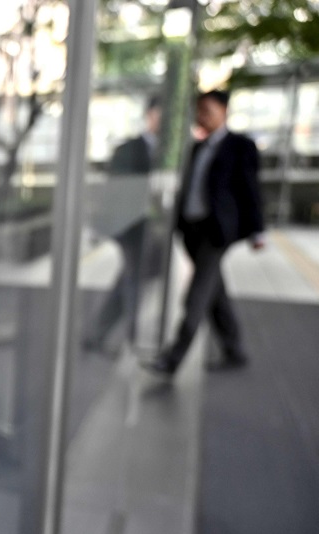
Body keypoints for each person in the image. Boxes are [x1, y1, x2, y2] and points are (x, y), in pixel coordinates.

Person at [144, 89, 265, 376]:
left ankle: (172, 360)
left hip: (215, 233)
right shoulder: (197, 147)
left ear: (224, 112)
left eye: (207, 111)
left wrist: (257, 230)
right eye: (199, 111)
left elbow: (251, 190)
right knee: (215, 293)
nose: (201, 117)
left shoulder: (240, 146)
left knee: (196, 296)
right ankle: (234, 350)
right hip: (191, 231)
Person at [83, 96, 161, 352]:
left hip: (154, 229)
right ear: (150, 114)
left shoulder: (169, 151)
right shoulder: (128, 149)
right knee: (133, 281)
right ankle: (132, 339)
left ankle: (97, 334)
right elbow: (113, 192)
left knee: (129, 280)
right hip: (132, 229)